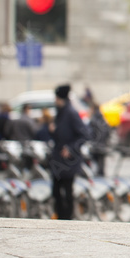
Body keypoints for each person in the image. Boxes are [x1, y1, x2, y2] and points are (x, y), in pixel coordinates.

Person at [50, 84, 89, 220]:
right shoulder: (60, 113)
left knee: (67, 192)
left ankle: (67, 219)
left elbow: (84, 134)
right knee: (56, 191)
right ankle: (61, 217)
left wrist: (71, 149)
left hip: (68, 162)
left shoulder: (71, 113)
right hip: (58, 161)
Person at [87, 101, 112, 177]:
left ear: (93, 109)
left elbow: (90, 133)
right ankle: (101, 176)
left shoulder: (93, 120)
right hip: (103, 145)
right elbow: (107, 132)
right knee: (101, 165)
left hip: (96, 146)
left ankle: (98, 177)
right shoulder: (102, 119)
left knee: (95, 164)